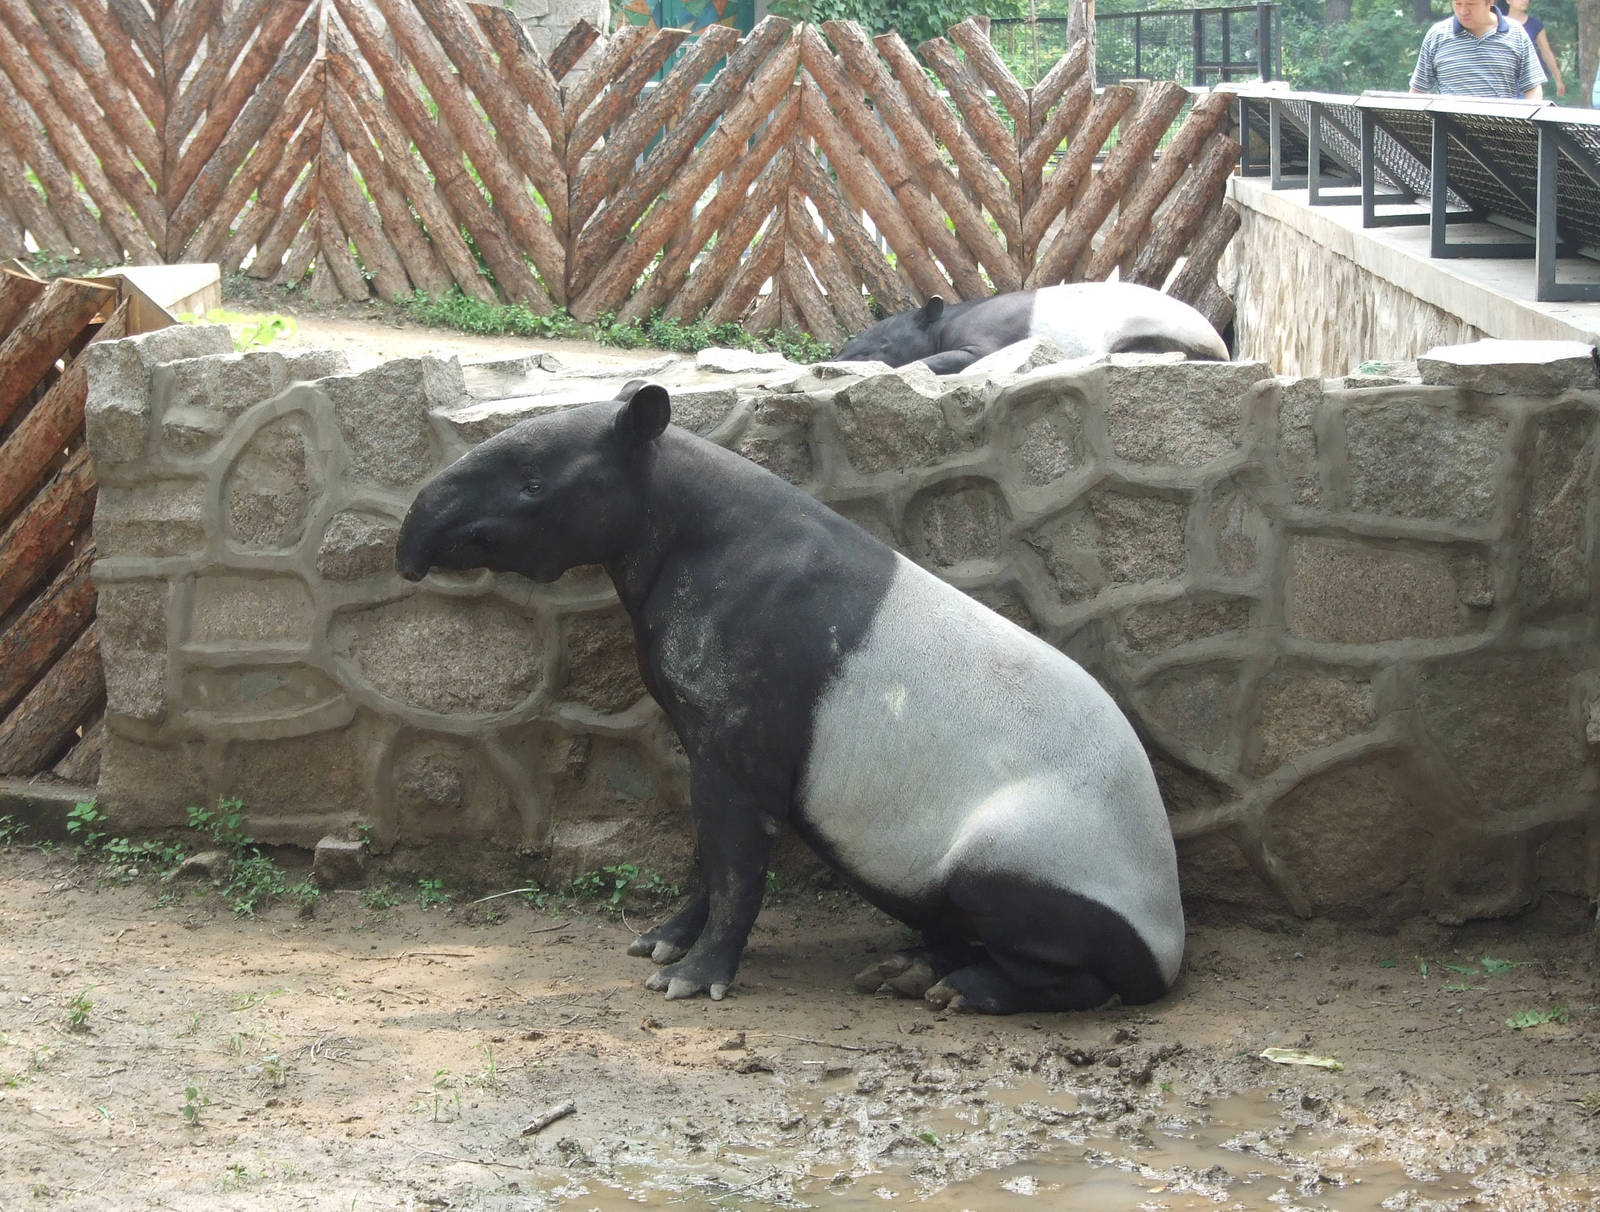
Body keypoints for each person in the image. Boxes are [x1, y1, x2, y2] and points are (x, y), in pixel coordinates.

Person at [1410, 0, 1546, 100]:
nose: (1463, 11)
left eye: (1471, 4)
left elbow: (1533, 89)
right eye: (1458, 4)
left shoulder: (1516, 33)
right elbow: (1418, 91)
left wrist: (1525, 128)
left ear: (1490, 2)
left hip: (1503, 133)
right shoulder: (1436, 35)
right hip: (1449, 134)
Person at [1497, 0, 1565, 97]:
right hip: (1502, 81)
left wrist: (1558, 79)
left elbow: (1546, 53)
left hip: (1526, 82)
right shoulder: (1498, 23)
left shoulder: (1535, 25)